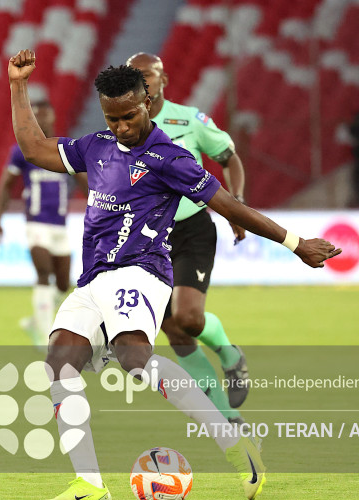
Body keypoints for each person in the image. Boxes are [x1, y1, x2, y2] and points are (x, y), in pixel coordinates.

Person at [7, 49, 341, 500]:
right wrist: (17, 85)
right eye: (112, 119)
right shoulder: (97, 146)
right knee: (60, 360)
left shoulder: (169, 157)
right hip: (94, 278)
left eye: (128, 116)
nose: (121, 127)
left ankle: (234, 444)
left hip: (143, 271)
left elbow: (228, 205)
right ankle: (89, 483)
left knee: (132, 356)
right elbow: (34, 149)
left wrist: (295, 242)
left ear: (147, 101)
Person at [126, 52, 248, 423]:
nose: (143, 83)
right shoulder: (123, 127)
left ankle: (229, 353)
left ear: (164, 80)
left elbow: (230, 157)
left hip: (191, 229)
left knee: (190, 318)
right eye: (136, 77)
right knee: (175, 332)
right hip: (146, 237)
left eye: (149, 76)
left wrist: (237, 204)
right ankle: (229, 420)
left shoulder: (189, 120)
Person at [0, 95, 85, 345]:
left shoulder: (66, 149)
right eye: (36, 115)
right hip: (36, 224)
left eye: (45, 113)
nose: (41, 118)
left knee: (64, 284)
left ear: (53, 116)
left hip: (60, 225)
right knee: (44, 274)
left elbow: (83, 182)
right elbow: (5, 185)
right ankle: (45, 340)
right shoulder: (23, 150)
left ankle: (36, 321)